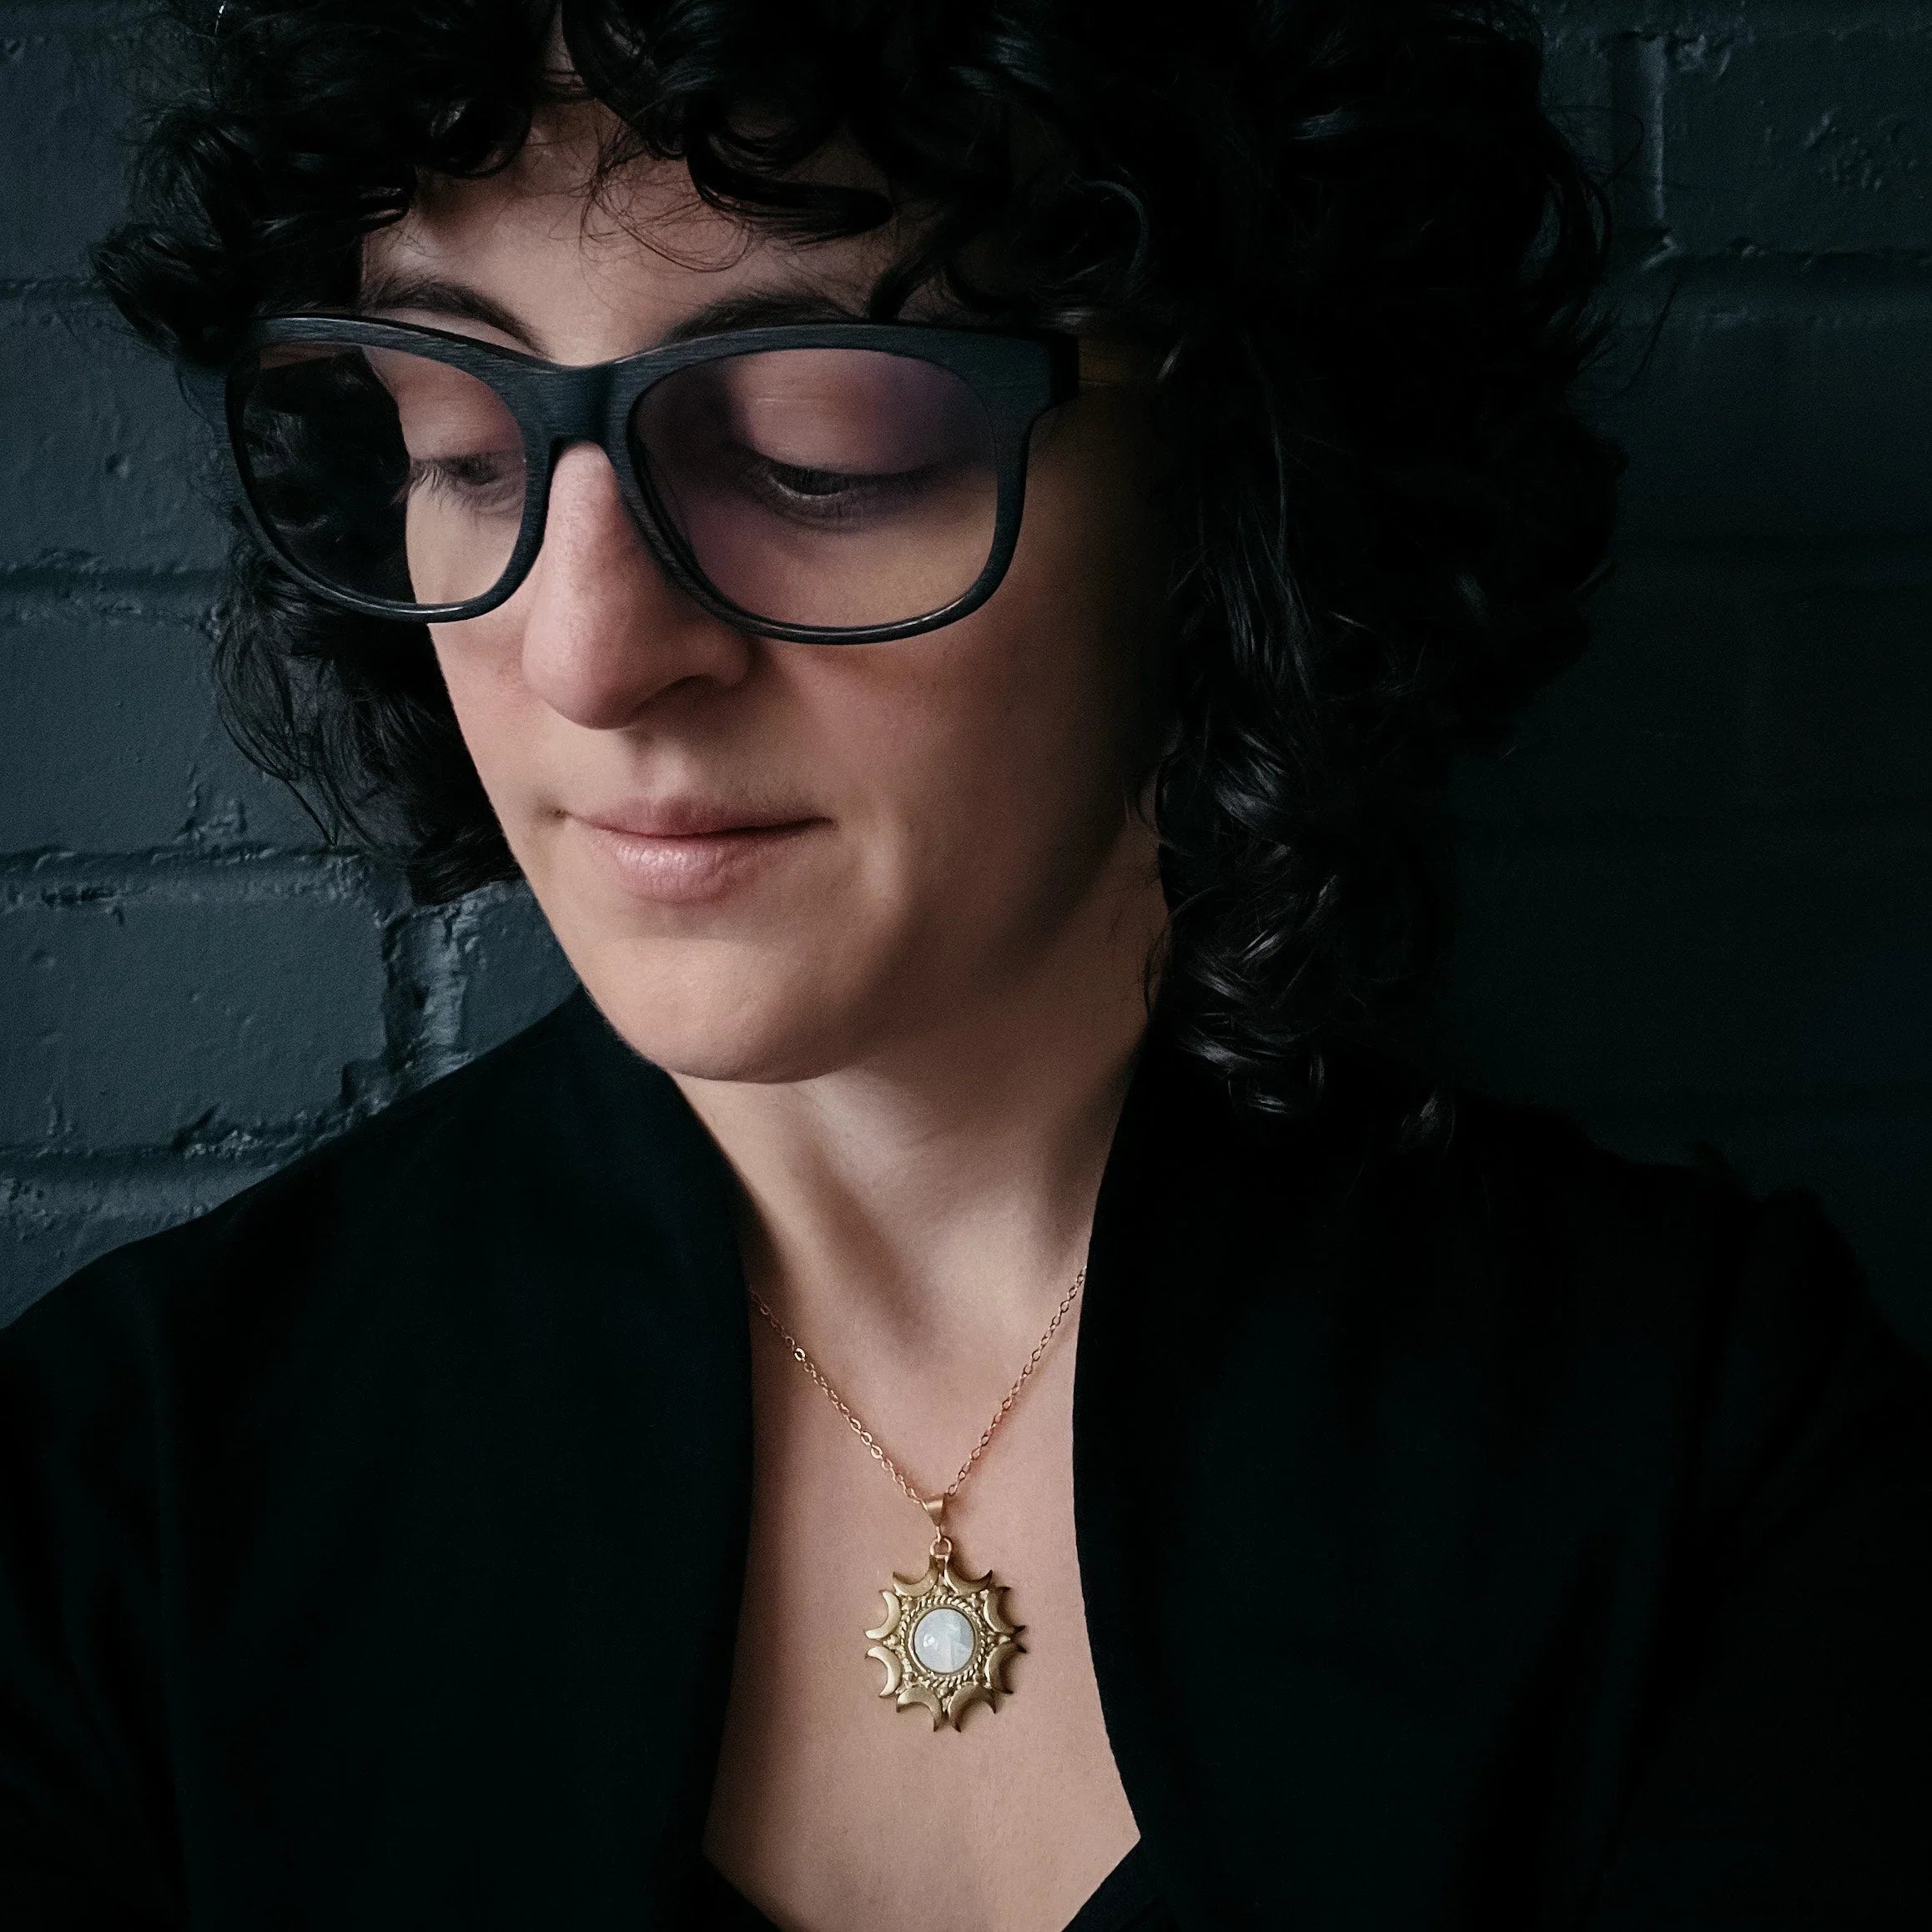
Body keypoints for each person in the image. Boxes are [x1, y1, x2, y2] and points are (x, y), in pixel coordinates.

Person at [3, 0, 1928, 1926]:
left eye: (815, 445)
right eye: (467, 444)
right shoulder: (119, 1502)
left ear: (1220, 473)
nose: (586, 658)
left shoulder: (1703, 1456)